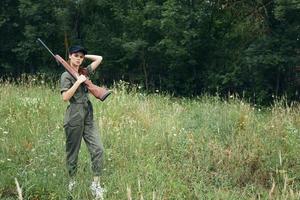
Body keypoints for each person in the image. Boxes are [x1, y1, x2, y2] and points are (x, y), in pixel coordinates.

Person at [60, 45, 105, 199]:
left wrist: (85, 58)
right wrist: (78, 82)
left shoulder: (84, 72)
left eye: (81, 56)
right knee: (73, 152)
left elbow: (99, 58)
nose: (79, 58)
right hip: (74, 115)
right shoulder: (66, 76)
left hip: (88, 115)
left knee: (98, 149)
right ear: (70, 56)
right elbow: (65, 97)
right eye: (76, 55)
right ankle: (72, 182)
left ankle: (96, 184)